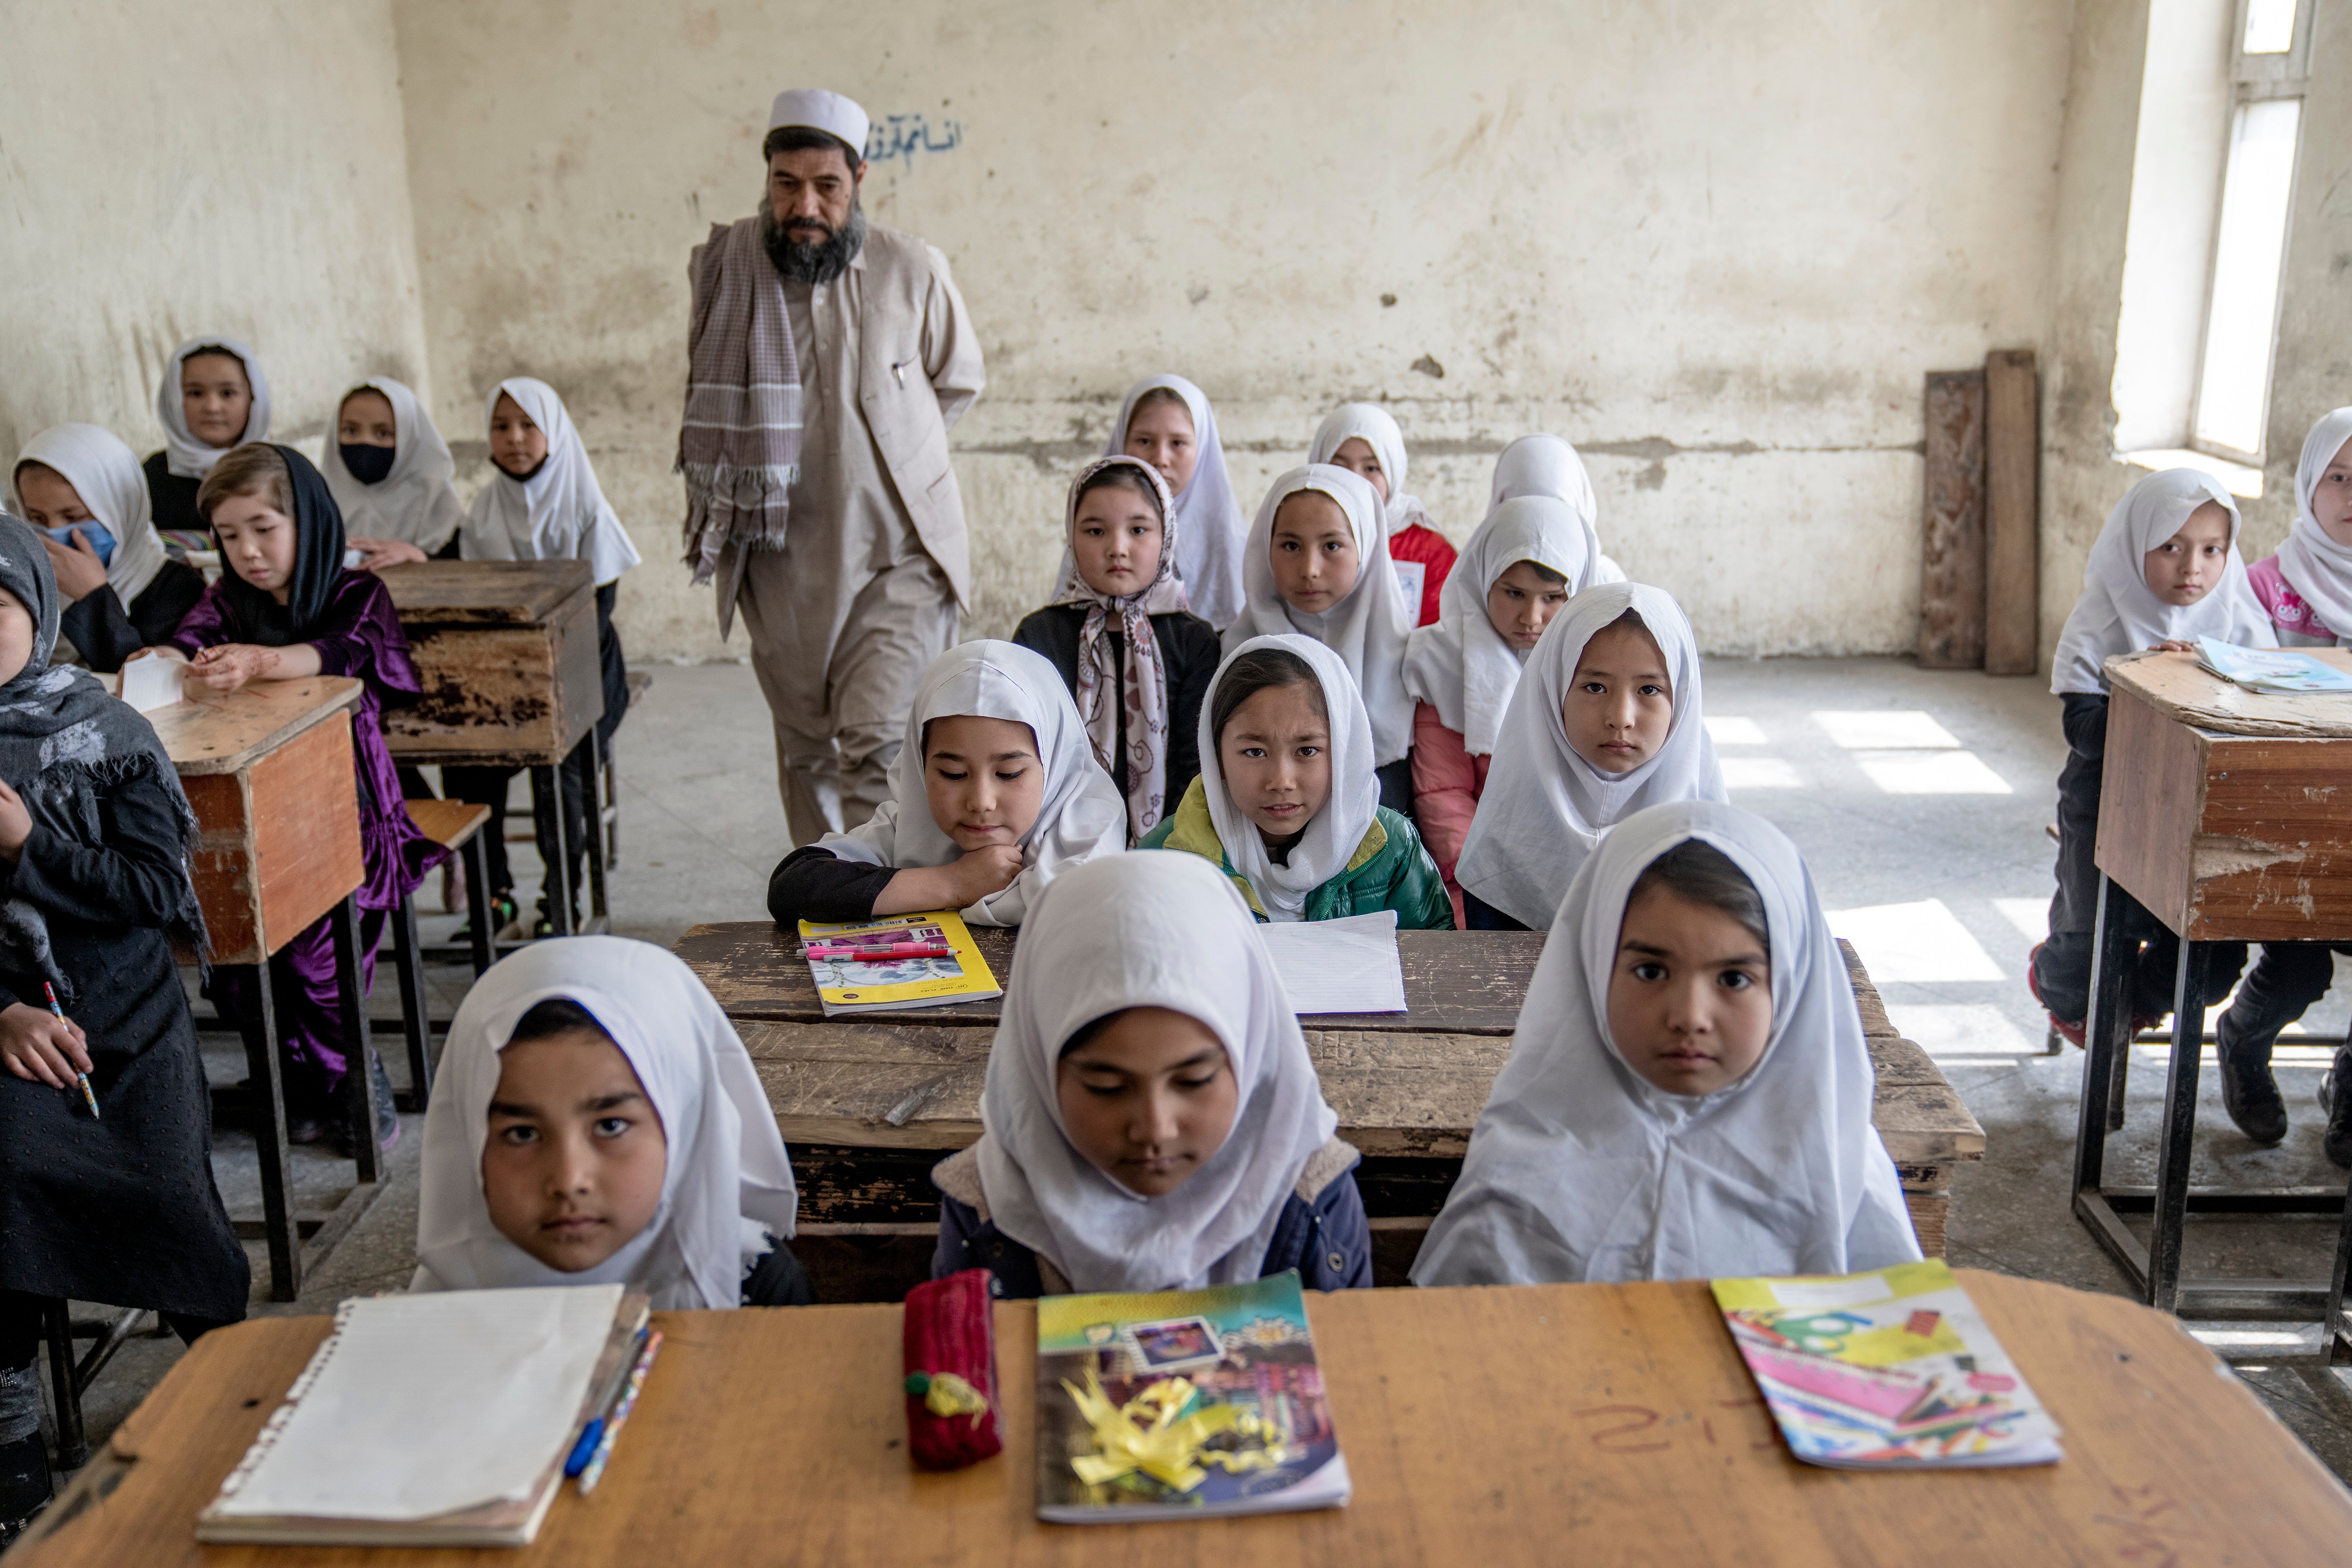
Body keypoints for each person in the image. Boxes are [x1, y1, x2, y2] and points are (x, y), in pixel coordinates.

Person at [0, 513, 246, 1536]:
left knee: (167, 1190)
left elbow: (151, 891)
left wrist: (26, 845)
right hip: (10, 1021)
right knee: (6, 1171)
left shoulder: (106, 733)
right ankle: (12, 1428)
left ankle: (240, 1374)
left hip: (124, 1010)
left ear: (37, 609)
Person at [1412, 800, 1922, 1286]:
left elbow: (1896, 1332)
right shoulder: (1524, 1162)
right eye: (1651, 971)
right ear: (1593, 969)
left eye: (1734, 979)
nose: (1689, 1018)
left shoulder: (1840, 1167)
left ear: (1790, 986)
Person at [682, 87, 985, 850]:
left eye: (827, 186)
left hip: (896, 559)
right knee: (807, 754)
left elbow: (958, 380)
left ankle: (882, 898)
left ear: (859, 180)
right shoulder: (725, 272)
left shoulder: (911, 268)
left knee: (880, 749)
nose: (805, 206)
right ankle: (826, 894)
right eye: (786, 185)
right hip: (779, 562)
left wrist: (887, 461)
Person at [148, 444, 444, 1153]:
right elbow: (190, 642)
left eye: (263, 528)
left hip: (346, 815)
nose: (248, 552)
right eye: (229, 535)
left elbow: (336, 654)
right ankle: (299, 1084)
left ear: (308, 521)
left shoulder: (356, 595)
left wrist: (259, 661)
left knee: (318, 964)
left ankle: (356, 1078)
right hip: (257, 813)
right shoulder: (227, 601)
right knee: (238, 960)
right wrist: (169, 663)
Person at [930, 851, 1370, 1296]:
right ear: (1039, 1068)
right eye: (1106, 1087)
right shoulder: (989, 1203)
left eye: (1194, 1080)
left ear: (1251, 1055)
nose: (1155, 1129)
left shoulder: (1310, 1191)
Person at [374, 378, 640, 941]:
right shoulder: (484, 509)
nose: (514, 438)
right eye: (500, 426)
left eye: (527, 425)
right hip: (503, 676)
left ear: (555, 433)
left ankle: (560, 900)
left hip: (581, 673)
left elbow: (595, 613)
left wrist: (542, 676)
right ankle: (492, 899)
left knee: (561, 773)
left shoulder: (585, 508)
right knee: (468, 764)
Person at [412, 937, 809, 1307]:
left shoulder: (761, 1292)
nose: (569, 1181)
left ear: (683, 1128)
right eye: (523, 1134)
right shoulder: (420, 1329)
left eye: (610, 1126)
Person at [2027, 468, 2273, 1053]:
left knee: (2212, 965)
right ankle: (2059, 983)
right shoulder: (2100, 620)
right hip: (2106, 803)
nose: (2192, 568)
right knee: (2084, 958)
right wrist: (2149, 682)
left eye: (2211, 550)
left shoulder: (2240, 622)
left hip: (2202, 810)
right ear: (2133, 543)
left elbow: (2262, 719)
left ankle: (2131, 1003)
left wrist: (2207, 676)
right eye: (2169, 547)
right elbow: (2083, 732)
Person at [766, 640, 1125, 929]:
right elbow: (794, 886)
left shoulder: (1086, 855)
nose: (981, 802)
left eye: (1009, 773)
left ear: (1055, 762)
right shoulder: (913, 822)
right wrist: (954, 883)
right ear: (920, 765)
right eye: (953, 774)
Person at [2221, 410, 2352, 1161]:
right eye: (2338, 477)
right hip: (2281, 825)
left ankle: (2350, 1088)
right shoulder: (2265, 590)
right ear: (2308, 484)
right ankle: (2244, 1038)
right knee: (2301, 963)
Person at [1453, 583, 1726, 931]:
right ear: (1553, 690)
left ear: (1683, 698)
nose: (1621, 718)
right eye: (1595, 687)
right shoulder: (1503, 846)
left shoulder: (1709, 850)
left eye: (1649, 689)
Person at [1140, 634, 1452, 928]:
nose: (1281, 781)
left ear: (1343, 754)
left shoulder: (1392, 848)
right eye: (1254, 752)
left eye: (1307, 751)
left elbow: (1434, 957)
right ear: (1216, 757)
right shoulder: (1165, 857)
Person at [1403, 497, 1601, 921]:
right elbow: (1444, 794)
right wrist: (1490, 877)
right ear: (1483, 579)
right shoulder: (1443, 663)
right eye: (1514, 593)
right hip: (1474, 871)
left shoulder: (1596, 667)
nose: (1532, 617)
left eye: (1553, 597)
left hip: (1572, 865)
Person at [1013, 456, 1219, 841]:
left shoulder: (1194, 640)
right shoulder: (1040, 635)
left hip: (1175, 840)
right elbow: (1025, 752)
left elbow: (1198, 761)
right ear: (1071, 537)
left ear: (1167, 536)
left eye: (1138, 530)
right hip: (1055, 839)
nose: (1117, 548)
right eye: (1095, 531)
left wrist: (1168, 843)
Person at [1222, 465, 1417, 812]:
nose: (1309, 569)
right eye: (1291, 546)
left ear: (1365, 548)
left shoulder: (1412, 662)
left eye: (1332, 546)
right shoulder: (1235, 652)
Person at [12, 424, 206, 672]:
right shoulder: (21, 581)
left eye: (73, 517)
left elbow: (146, 679)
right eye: (36, 518)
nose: (54, 533)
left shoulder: (178, 589)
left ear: (121, 510)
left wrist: (93, 597)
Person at [1101, 375, 1249, 629]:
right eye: (1144, 441)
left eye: (1178, 443)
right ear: (1122, 443)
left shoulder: (1224, 538)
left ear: (1201, 448)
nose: (1160, 459)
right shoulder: (1095, 521)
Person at [1308, 402, 1456, 627]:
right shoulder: (1294, 533)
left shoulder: (1429, 551)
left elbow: (1438, 634)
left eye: (1372, 468)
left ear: (1393, 472)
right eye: (1339, 466)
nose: (1355, 480)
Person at [326, 377, 468, 563]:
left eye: (383, 433)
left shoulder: (436, 500)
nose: (366, 441)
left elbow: (461, 565)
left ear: (408, 438)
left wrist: (418, 556)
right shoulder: (322, 498)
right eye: (351, 431)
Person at [143, 337, 271, 537]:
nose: (212, 407)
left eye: (228, 393)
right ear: (173, 399)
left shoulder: (280, 471)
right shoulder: (152, 476)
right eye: (195, 393)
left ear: (255, 398)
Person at [1488, 433, 1626, 583]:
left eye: (1557, 511)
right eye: (1520, 510)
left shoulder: (1609, 584)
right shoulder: (1476, 578)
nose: (1539, 525)